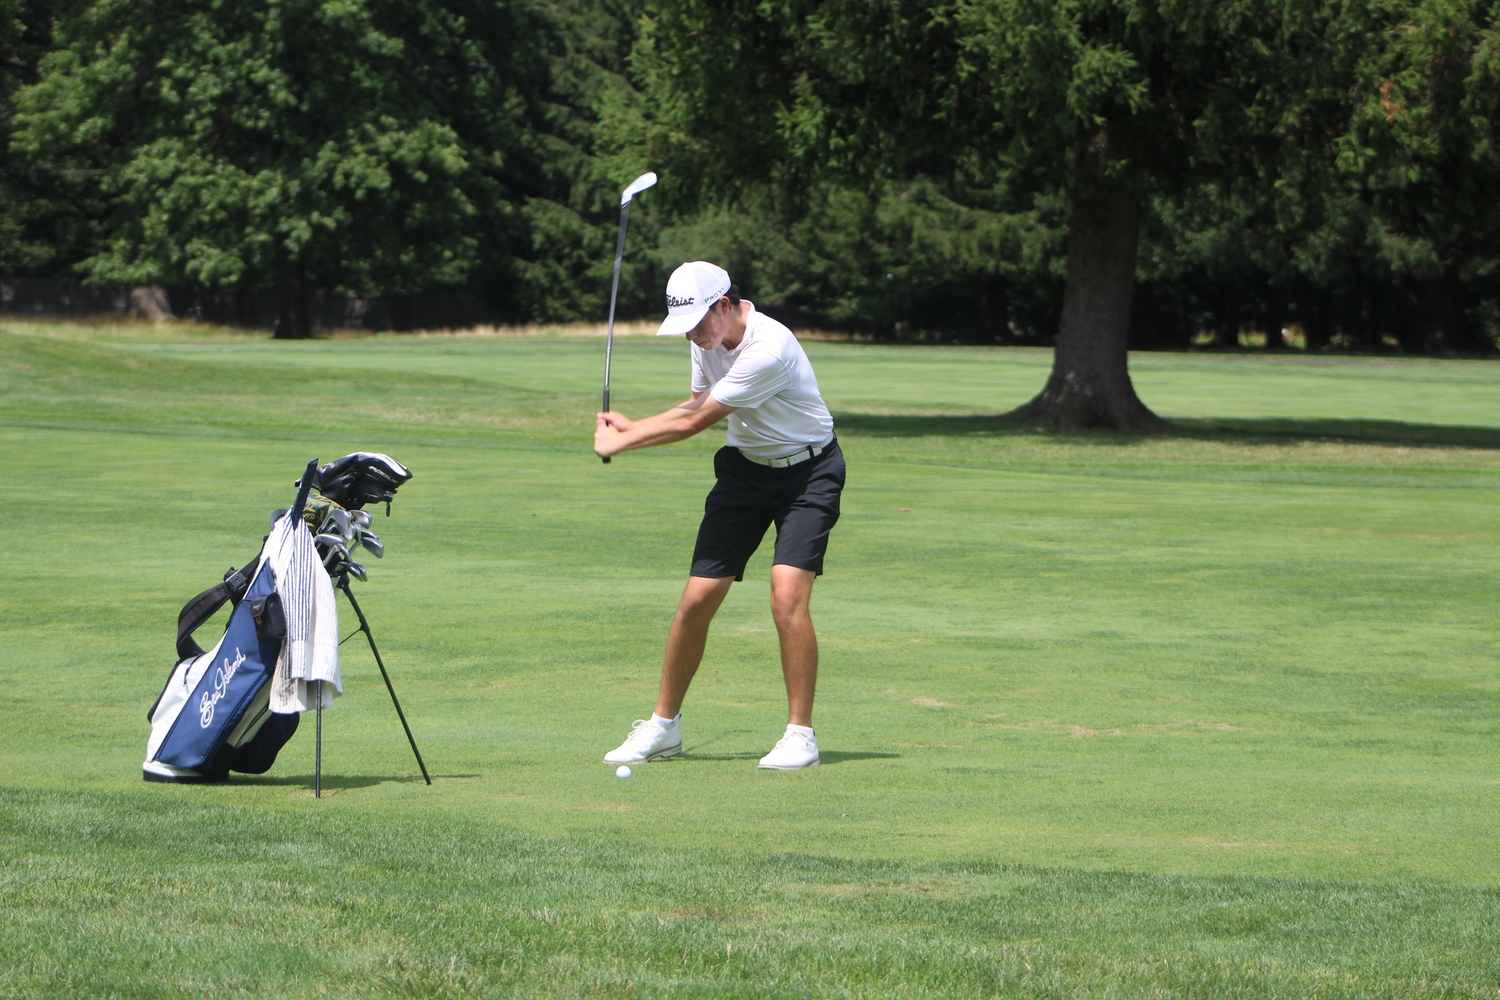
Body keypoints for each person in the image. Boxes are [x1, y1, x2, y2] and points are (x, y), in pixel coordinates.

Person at [594, 261, 845, 769]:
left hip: (808, 474)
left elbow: (697, 422)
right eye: (686, 327)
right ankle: (663, 727)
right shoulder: (704, 338)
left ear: (725, 306)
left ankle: (801, 736)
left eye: (699, 323)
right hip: (744, 474)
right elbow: (695, 402)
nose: (692, 335)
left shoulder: (768, 348)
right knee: (696, 599)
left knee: (786, 596)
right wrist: (636, 425)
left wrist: (623, 440)